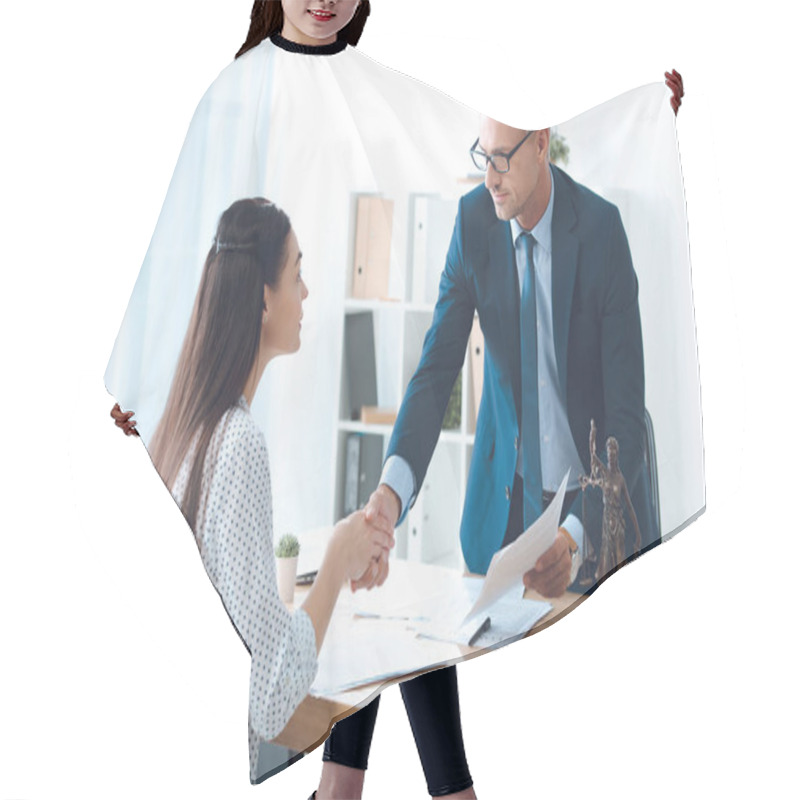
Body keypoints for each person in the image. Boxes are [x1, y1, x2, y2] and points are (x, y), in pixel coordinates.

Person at [318, 100, 681, 794]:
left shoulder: (600, 231)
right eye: (481, 157)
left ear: (543, 144)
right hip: (508, 513)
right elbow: (434, 373)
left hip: (598, 510)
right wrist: (390, 495)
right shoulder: (473, 223)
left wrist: (577, 535)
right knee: (414, 636)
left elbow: (628, 421)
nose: (491, 177)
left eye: (505, 157)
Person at [149, 196, 394, 783]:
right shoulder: (237, 444)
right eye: (297, 274)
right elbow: (269, 698)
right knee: (372, 683)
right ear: (264, 298)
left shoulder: (182, 427)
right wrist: (337, 560)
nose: (306, 294)